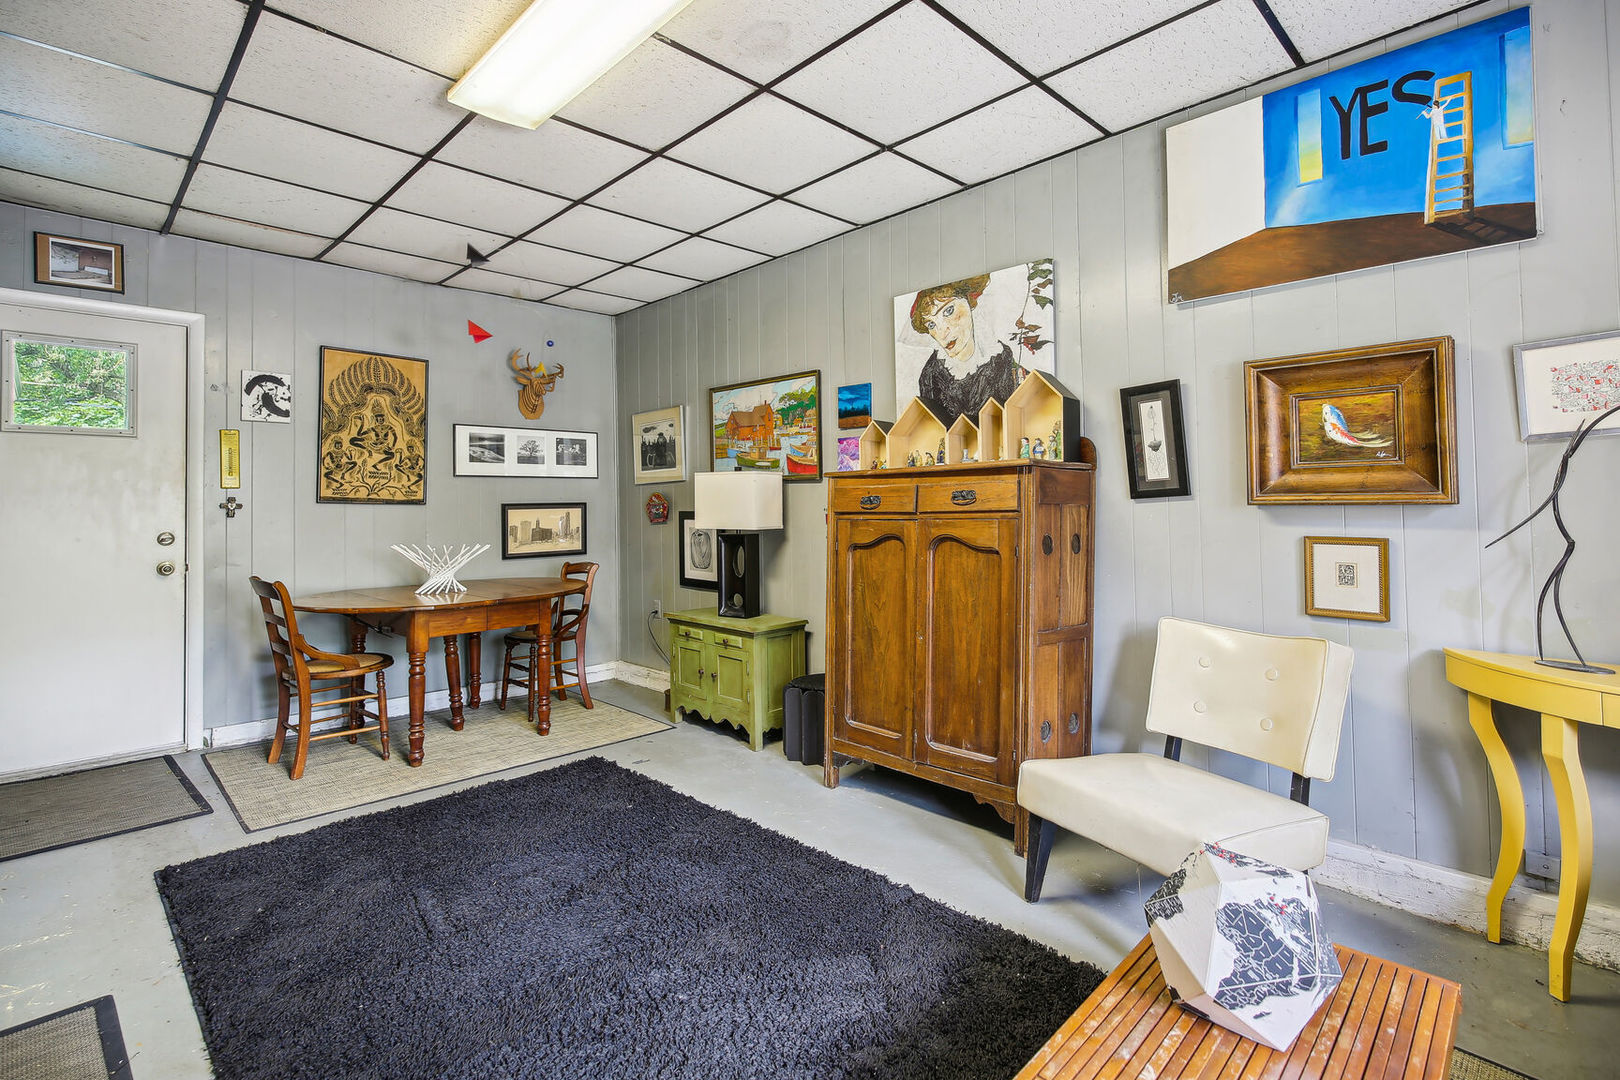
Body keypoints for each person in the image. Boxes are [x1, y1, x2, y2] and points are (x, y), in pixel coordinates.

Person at [908, 274, 1025, 426]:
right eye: (931, 325)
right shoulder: (930, 375)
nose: (942, 333)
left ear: (969, 303)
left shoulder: (1003, 361)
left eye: (949, 311)